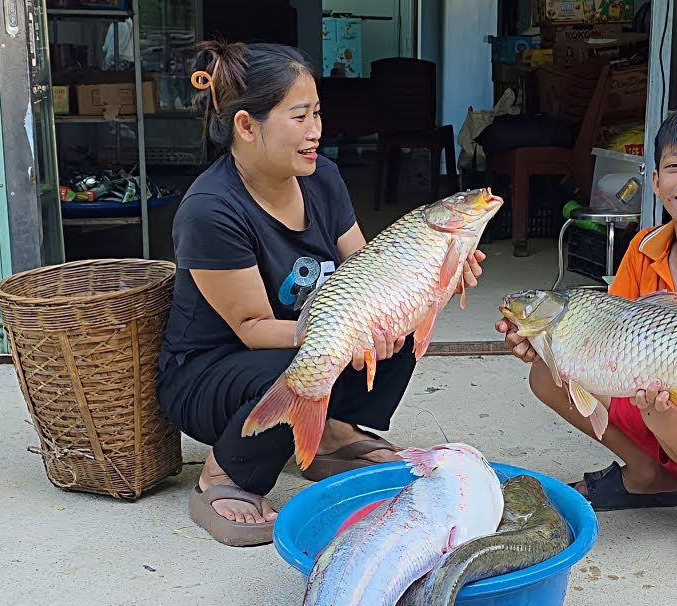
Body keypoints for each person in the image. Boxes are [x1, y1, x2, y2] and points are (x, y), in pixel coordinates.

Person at [156, 41, 485, 547]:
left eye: (318, 113)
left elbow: (368, 269)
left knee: (396, 318)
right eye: (300, 116)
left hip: (296, 344)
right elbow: (251, 328)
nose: (317, 131)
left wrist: (433, 279)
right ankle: (222, 476)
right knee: (309, 356)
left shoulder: (322, 178)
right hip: (211, 373)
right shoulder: (211, 209)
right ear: (246, 125)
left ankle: (332, 434)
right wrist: (344, 331)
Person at [495, 104, 677, 572]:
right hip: (649, 395)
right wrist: (551, 350)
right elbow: (608, 341)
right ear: (655, 181)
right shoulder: (642, 246)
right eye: (675, 166)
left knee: (668, 403)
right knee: (546, 376)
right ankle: (648, 475)